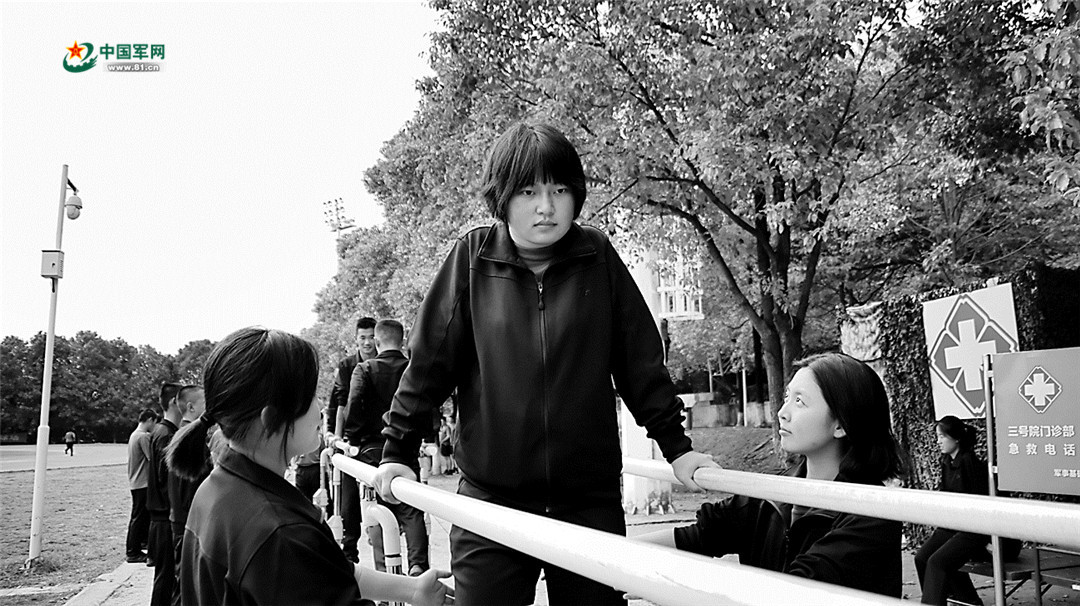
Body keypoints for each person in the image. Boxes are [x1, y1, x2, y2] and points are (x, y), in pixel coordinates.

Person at [373, 122, 716, 605]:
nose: (546, 207)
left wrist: (677, 448)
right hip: (492, 502)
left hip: (586, 503)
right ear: (503, 196)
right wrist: (397, 452)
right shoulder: (473, 258)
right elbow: (429, 365)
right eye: (529, 191)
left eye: (559, 190)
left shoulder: (597, 256)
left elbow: (639, 364)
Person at [167, 326, 451, 606]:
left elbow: (329, 573)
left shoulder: (218, 489)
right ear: (272, 419)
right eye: (310, 397)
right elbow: (306, 570)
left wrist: (413, 590)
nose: (320, 408)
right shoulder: (282, 536)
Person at [637, 352, 905, 598]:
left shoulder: (871, 514)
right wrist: (616, 555)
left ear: (841, 424)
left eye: (799, 402)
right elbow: (700, 536)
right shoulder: (772, 496)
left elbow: (791, 592)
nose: (782, 413)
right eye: (787, 397)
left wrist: (665, 584)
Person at [343, 319, 429, 575]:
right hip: (406, 447)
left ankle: (385, 571)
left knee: (376, 509)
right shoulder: (412, 369)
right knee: (411, 509)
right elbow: (428, 406)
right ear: (402, 341)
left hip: (372, 449)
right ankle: (418, 564)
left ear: (377, 341)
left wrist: (353, 439)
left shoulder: (364, 369)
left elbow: (353, 404)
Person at [915, 416, 1018, 605]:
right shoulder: (946, 461)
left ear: (956, 438)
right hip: (954, 525)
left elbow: (982, 503)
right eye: (937, 436)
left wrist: (989, 541)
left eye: (942, 436)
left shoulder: (969, 461)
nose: (938, 441)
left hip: (975, 530)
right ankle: (963, 599)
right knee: (921, 558)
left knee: (938, 562)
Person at [331, 316, 377, 561]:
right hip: (351, 441)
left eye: (371, 337)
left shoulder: (385, 363)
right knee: (348, 501)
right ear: (356, 339)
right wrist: (338, 440)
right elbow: (340, 405)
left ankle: (382, 544)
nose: (367, 342)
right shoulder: (346, 366)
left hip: (378, 439)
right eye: (363, 337)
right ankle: (350, 553)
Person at [167, 385, 208, 606]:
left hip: (182, 520)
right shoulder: (189, 440)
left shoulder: (182, 436)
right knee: (185, 588)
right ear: (191, 407)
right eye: (204, 403)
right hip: (187, 523)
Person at [147, 382, 182, 605]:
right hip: (164, 518)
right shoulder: (165, 434)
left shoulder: (163, 431)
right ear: (174, 402)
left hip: (162, 517)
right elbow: (166, 480)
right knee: (165, 580)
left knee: (167, 578)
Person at [125, 409, 158, 563]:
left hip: (136, 482)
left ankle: (139, 544)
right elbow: (153, 458)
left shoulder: (134, 435)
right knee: (138, 518)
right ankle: (132, 552)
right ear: (150, 420)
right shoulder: (143, 436)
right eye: (155, 422)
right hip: (143, 482)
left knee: (139, 517)